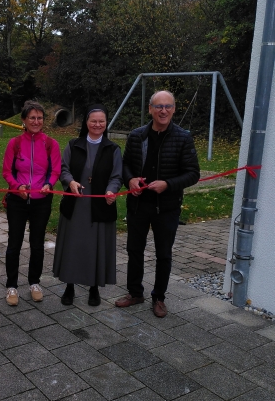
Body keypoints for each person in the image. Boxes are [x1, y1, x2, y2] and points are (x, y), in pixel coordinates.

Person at [115, 90, 199, 318]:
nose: (163, 110)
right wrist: (130, 179)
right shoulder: (136, 136)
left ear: (173, 109)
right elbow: (125, 165)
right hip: (139, 204)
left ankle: (159, 298)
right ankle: (135, 292)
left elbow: (193, 173)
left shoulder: (183, 137)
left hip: (167, 207)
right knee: (134, 250)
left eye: (168, 106)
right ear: (150, 109)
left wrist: (168, 184)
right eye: (159, 106)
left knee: (163, 254)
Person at [52, 104, 123, 306]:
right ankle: (69, 286)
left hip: (99, 207)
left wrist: (112, 190)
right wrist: (71, 182)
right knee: (73, 247)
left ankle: (94, 288)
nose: (97, 124)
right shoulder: (73, 145)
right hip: (76, 206)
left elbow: (117, 176)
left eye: (101, 121)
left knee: (95, 248)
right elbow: (63, 170)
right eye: (93, 121)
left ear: (106, 123)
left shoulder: (113, 149)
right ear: (86, 123)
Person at [2, 101, 61, 306]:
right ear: (24, 120)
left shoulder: (50, 143)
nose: (36, 122)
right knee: (14, 244)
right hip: (18, 200)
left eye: (39, 118)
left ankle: (34, 282)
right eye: (32, 118)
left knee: (37, 244)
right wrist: (16, 186)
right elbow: (7, 171)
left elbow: (54, 171)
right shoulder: (15, 143)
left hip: (41, 201)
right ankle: (11, 286)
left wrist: (48, 184)